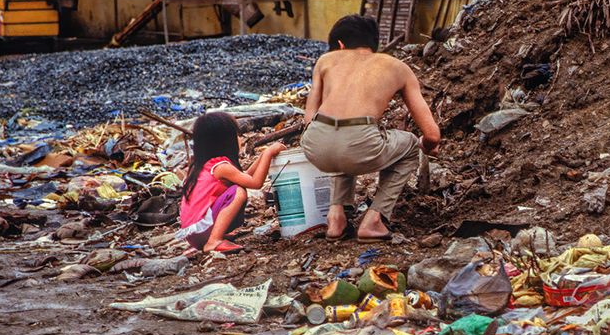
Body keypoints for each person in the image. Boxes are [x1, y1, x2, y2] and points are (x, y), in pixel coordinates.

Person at [301, 14, 441, 242]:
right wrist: (426, 147)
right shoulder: (397, 67)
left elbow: (309, 119)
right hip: (358, 143)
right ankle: (374, 220)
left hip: (315, 143)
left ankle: (336, 217)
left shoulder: (325, 61)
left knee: (344, 140)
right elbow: (432, 134)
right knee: (408, 145)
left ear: (340, 45)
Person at [177, 111, 286, 253]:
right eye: (238, 135)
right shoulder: (221, 167)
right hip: (200, 231)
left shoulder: (205, 166)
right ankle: (213, 241)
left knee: (237, 188)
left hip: (194, 235)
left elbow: (244, 177)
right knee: (238, 192)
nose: (240, 139)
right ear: (226, 141)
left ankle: (214, 235)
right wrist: (268, 153)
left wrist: (261, 158)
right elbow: (256, 183)